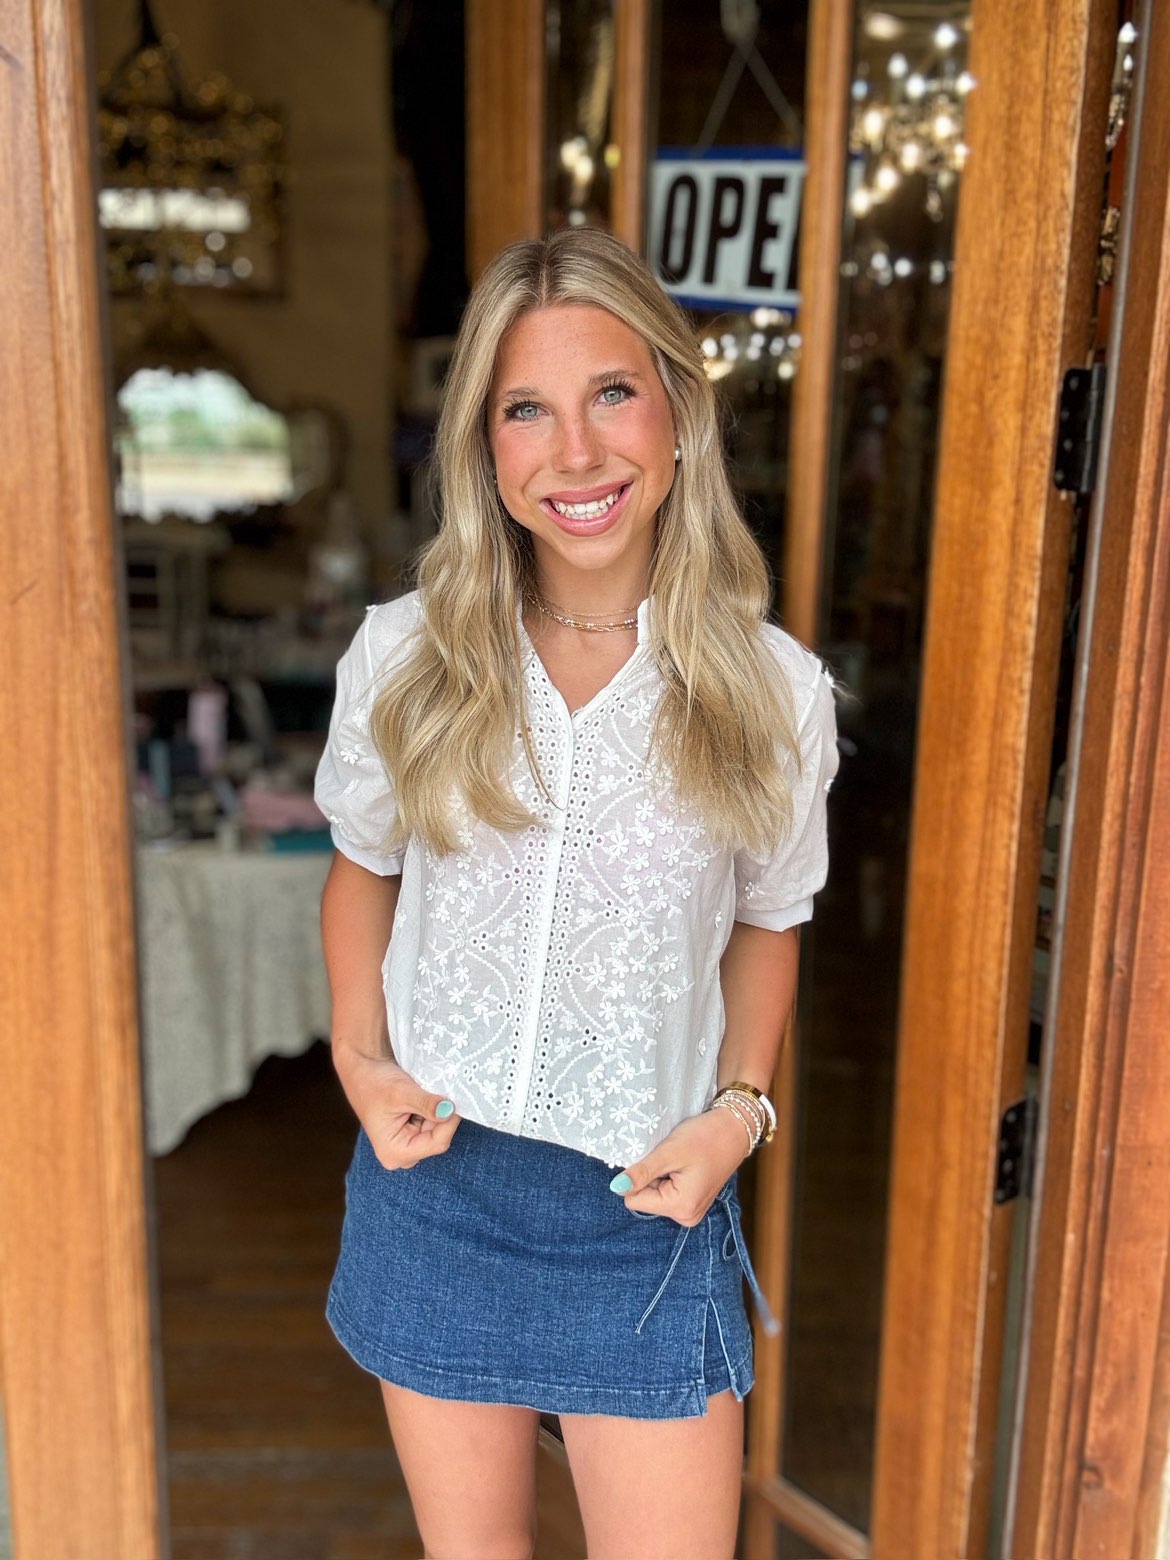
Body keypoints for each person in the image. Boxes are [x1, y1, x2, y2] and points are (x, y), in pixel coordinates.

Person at [313, 227, 838, 1560]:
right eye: (525, 411)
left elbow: (770, 918)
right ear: (485, 450)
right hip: (436, 1192)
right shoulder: (408, 656)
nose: (578, 452)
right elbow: (362, 863)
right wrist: (360, 1057)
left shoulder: (771, 693)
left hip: (642, 1217)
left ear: (676, 410)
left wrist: (739, 1113)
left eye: (612, 392)